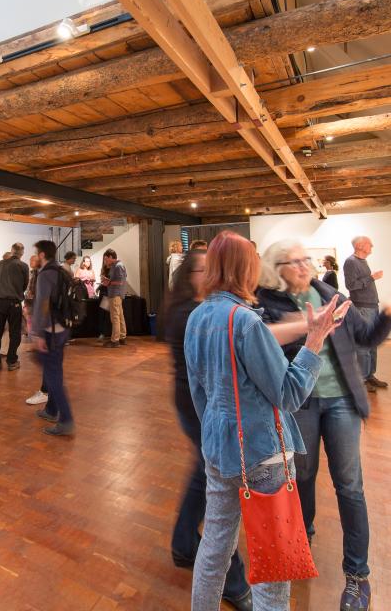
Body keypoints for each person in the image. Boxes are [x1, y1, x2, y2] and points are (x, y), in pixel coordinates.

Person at [185, 231, 339, 611]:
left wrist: (216, 437)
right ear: (246, 270)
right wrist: (314, 341)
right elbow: (288, 394)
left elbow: (199, 395)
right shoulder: (247, 323)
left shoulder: (196, 318)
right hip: (262, 456)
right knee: (273, 566)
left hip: (219, 452)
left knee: (215, 548)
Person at [258, 239, 391, 611]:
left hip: (341, 402)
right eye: (294, 261)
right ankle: (303, 540)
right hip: (300, 402)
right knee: (301, 477)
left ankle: (357, 574)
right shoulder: (267, 304)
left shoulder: (330, 294)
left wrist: (386, 315)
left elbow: (365, 337)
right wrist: (303, 328)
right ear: (276, 269)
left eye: (306, 259)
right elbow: (265, 354)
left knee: (349, 486)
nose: (304, 266)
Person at [164, 249, 252, 611]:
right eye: (204, 269)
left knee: (204, 475)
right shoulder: (190, 314)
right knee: (221, 487)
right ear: (190, 275)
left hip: (200, 405)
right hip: (198, 407)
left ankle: (184, 543)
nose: (212, 274)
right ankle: (233, 580)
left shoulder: (198, 309)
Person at [31, 239, 74, 436]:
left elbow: (42, 305)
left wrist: (38, 333)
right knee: (54, 371)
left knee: (53, 375)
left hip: (51, 331)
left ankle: (66, 420)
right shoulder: (62, 271)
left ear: (42, 255)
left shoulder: (45, 275)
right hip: (63, 328)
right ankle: (51, 409)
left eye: (37, 253)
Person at [343, 236, 386, 391]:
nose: (372, 246)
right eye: (369, 244)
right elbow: (351, 285)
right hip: (362, 307)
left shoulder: (362, 261)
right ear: (360, 245)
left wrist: (370, 278)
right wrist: (371, 277)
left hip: (372, 306)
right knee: (364, 344)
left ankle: (370, 376)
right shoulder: (351, 262)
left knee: (372, 342)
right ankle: (362, 379)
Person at [0, 242, 29, 372]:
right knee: (15, 333)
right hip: (14, 303)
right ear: (22, 253)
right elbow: (25, 285)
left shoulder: (0, 264)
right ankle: (11, 361)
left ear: (11, 251)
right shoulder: (23, 266)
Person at [24, 254, 48, 406]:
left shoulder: (43, 275)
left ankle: (46, 393)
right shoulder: (37, 274)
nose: (31, 262)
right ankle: (46, 392)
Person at [101, 249, 127, 347]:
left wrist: (108, 283)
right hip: (116, 294)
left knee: (115, 317)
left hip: (115, 294)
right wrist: (108, 281)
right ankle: (122, 337)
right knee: (120, 317)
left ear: (111, 257)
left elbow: (120, 281)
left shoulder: (118, 266)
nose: (105, 261)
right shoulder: (116, 265)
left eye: (106, 259)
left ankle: (115, 340)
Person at [96, 255, 112, 342]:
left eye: (106, 259)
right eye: (104, 259)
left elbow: (111, 282)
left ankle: (104, 333)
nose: (105, 261)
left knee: (106, 315)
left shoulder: (113, 269)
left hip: (108, 293)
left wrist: (106, 280)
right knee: (102, 314)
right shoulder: (103, 269)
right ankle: (102, 333)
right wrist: (99, 286)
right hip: (103, 293)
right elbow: (103, 282)